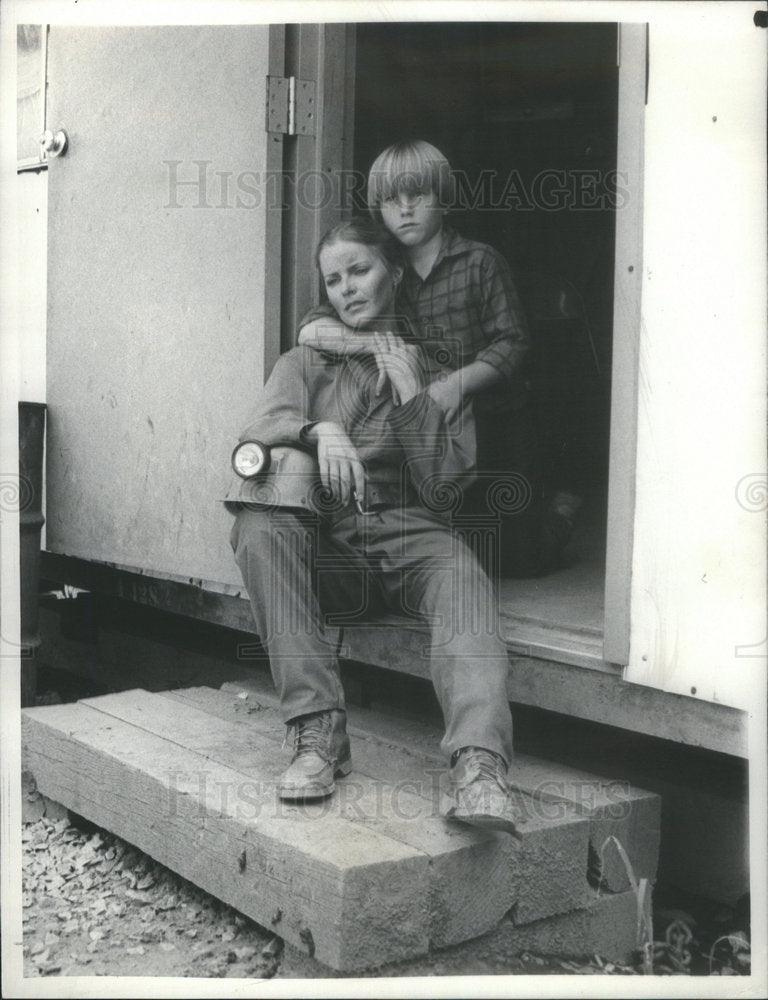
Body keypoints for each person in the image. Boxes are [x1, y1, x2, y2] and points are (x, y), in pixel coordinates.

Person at [226, 219, 521, 835]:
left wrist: (418, 399)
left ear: (391, 272)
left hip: (408, 529)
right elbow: (257, 435)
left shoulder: (438, 363)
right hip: (324, 537)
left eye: (359, 271)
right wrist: (317, 430)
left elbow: (446, 490)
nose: (347, 290)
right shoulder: (304, 361)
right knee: (257, 524)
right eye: (333, 280)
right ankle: (319, 733)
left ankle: (480, 765)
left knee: (460, 573)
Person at [298, 139, 556, 577]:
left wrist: (454, 385)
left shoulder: (479, 262)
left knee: (521, 559)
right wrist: (371, 346)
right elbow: (311, 328)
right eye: (390, 200)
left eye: (417, 195)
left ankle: (561, 516)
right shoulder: (384, 269)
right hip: (433, 430)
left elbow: (512, 341)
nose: (405, 209)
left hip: (496, 420)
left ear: (443, 197)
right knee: (458, 543)